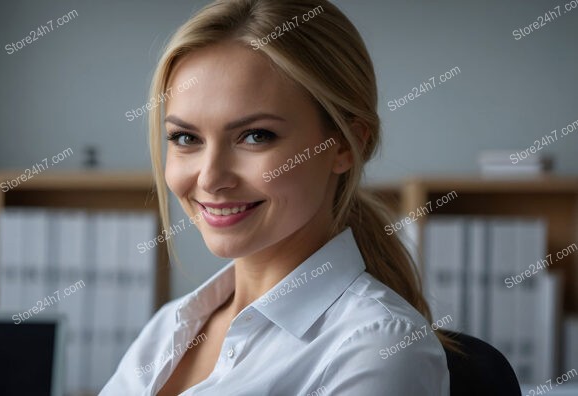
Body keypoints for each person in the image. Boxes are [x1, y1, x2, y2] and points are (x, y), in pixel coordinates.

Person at [101, 0, 453, 394]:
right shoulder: (169, 327)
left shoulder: (379, 348)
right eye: (186, 138)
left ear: (346, 144)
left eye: (255, 136)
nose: (212, 178)